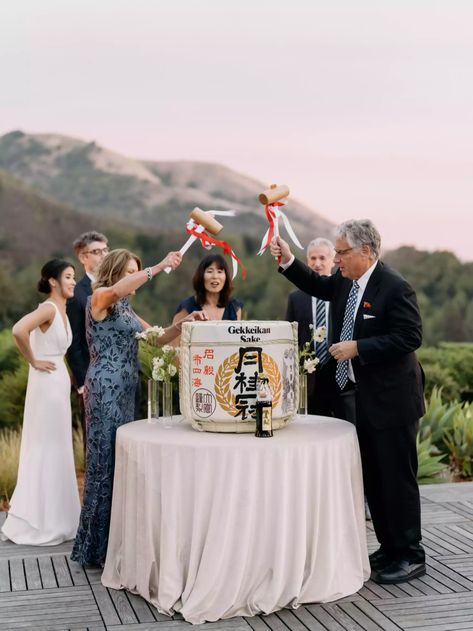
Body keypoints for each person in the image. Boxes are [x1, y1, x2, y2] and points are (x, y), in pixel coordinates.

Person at [270, 219, 425, 585]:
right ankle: (389, 547)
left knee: (397, 479)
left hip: (394, 402)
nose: (336, 260)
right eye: (336, 253)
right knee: (374, 477)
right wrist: (290, 261)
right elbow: (317, 285)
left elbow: (410, 336)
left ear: (366, 252)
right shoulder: (345, 281)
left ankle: (411, 554)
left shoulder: (395, 287)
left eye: (342, 253)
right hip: (364, 400)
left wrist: (359, 348)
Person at [70, 249, 207, 567]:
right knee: (103, 466)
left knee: (120, 463)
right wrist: (160, 266)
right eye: (131, 270)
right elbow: (116, 289)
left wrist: (185, 323)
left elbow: (156, 339)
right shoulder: (100, 298)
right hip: (104, 388)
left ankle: (112, 544)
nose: (135, 276)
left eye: (138, 270)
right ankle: (95, 549)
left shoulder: (127, 308)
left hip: (127, 388)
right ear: (117, 272)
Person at [1, 260, 81, 545]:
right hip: (45, 384)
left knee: (58, 446)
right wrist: (33, 360)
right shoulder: (47, 308)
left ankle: (58, 516)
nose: (73, 281)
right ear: (53, 281)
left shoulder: (63, 310)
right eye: (69, 277)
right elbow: (18, 330)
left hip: (57, 382)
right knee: (45, 445)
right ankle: (38, 519)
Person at [66, 231, 109, 453]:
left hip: (118, 375)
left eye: (105, 250)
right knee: (95, 442)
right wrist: (82, 383)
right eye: (96, 252)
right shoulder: (76, 294)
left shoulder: (116, 288)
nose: (103, 255)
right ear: (83, 257)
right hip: (91, 379)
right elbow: (73, 341)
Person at [285, 237, 336, 416]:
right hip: (307, 382)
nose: (317, 263)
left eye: (322, 258)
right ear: (307, 261)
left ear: (333, 260)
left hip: (339, 378)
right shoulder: (296, 298)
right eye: (313, 259)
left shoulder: (343, 293)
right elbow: (290, 340)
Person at [172, 253, 243, 329]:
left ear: (226, 277)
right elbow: (172, 339)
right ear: (201, 276)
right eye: (209, 271)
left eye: (220, 272)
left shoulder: (234, 307)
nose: (215, 276)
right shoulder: (187, 307)